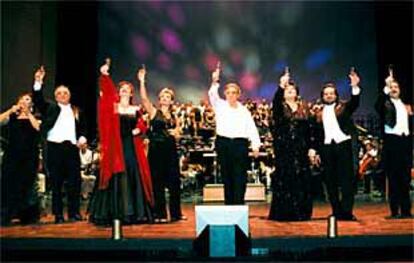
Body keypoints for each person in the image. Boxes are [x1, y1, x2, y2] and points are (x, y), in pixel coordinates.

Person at [89, 60, 154, 225]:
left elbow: (142, 123)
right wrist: (105, 75)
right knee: (117, 173)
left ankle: (132, 212)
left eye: (128, 90)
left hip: (130, 145)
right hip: (116, 145)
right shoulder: (113, 107)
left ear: (132, 93)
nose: (125, 91)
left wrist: (139, 129)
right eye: (122, 89)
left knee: (131, 171)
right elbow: (105, 96)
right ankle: (117, 211)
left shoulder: (136, 109)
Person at [32, 66, 87, 224]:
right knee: (56, 183)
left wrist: (82, 138)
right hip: (55, 147)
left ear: (69, 95)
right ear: (55, 96)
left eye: (65, 93)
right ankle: (58, 215)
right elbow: (38, 100)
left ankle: (74, 212)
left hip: (71, 148)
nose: (63, 95)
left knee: (74, 182)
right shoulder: (50, 107)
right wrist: (38, 81)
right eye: (59, 93)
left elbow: (83, 128)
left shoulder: (77, 110)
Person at [309, 69, 361, 221]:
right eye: (326, 93)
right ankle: (336, 211)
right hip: (326, 148)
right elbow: (315, 134)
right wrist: (314, 149)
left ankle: (347, 212)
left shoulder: (344, 107)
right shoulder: (317, 112)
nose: (329, 95)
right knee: (330, 182)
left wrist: (355, 87)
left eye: (331, 93)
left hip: (343, 145)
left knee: (346, 181)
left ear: (336, 95)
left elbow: (355, 102)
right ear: (322, 96)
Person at [138, 66, 186, 223]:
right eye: (162, 97)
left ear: (172, 100)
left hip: (170, 150)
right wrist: (142, 81)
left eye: (168, 97)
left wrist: (176, 133)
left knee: (174, 182)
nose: (165, 99)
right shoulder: (153, 112)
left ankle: (176, 214)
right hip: (156, 149)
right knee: (157, 182)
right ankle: (160, 214)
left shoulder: (175, 116)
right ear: (159, 100)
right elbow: (144, 99)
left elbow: (178, 133)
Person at [208, 63, 261, 205]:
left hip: (240, 144)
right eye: (228, 92)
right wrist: (215, 81)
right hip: (223, 143)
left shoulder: (244, 110)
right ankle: (229, 206)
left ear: (238, 94)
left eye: (234, 92)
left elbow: (251, 128)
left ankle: (239, 205)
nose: (231, 95)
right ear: (225, 94)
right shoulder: (219, 105)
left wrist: (256, 145)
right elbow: (212, 94)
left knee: (239, 176)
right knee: (227, 176)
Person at [268, 70, 314, 221]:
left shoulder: (304, 107)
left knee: (301, 178)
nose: (290, 92)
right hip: (284, 148)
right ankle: (284, 213)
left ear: (297, 93)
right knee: (285, 178)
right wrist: (281, 85)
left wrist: (311, 148)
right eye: (287, 90)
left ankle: (301, 212)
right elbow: (275, 103)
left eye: (292, 90)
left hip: (301, 149)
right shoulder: (279, 107)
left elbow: (310, 129)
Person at [375, 70, 413, 219]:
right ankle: (395, 210)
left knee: (405, 178)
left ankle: (406, 210)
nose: (394, 89)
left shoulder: (406, 106)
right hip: (392, 142)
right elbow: (377, 104)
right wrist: (386, 86)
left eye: (396, 87)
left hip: (405, 142)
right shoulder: (385, 104)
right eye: (392, 87)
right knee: (394, 178)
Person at [0, 92, 41, 226]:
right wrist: (11, 110)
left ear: (31, 104)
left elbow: (38, 128)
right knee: (9, 184)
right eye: (22, 99)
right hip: (12, 156)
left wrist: (28, 113)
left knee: (27, 185)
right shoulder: (11, 117)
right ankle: (7, 214)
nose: (24, 101)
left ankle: (27, 216)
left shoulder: (35, 118)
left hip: (29, 157)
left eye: (28, 99)